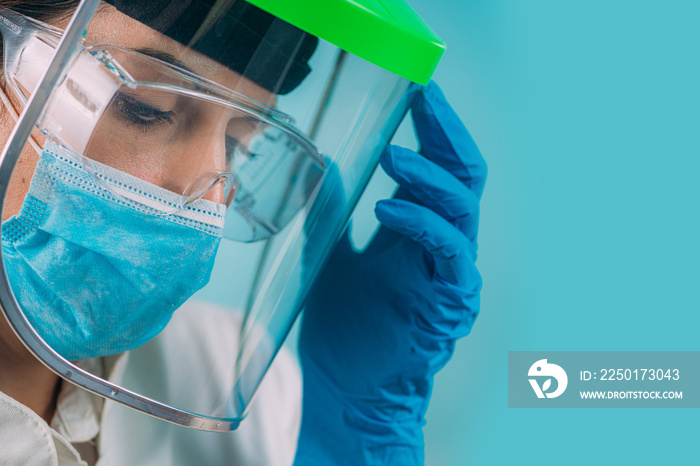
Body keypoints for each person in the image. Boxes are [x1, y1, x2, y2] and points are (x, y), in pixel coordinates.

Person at [0, 1, 486, 465]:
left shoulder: (237, 382)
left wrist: (354, 441)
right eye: (145, 108)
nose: (209, 198)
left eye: (237, 144)